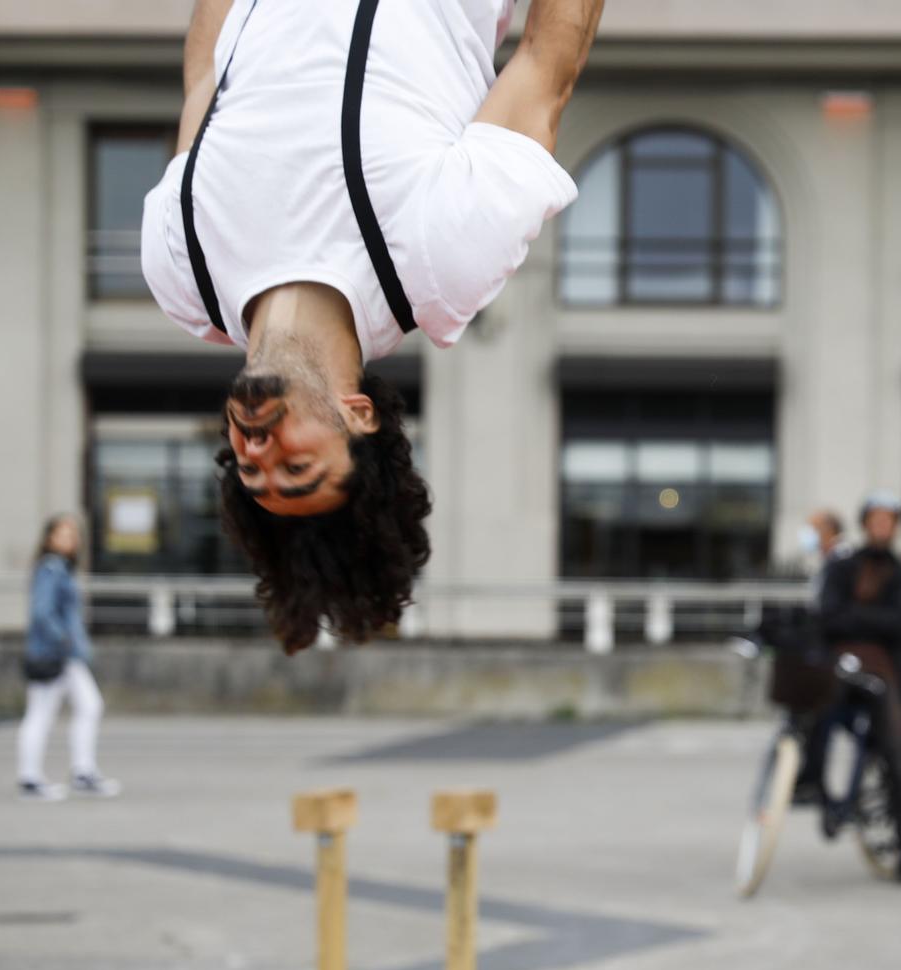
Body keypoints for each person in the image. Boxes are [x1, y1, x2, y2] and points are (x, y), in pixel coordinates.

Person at [142, 0, 604, 653]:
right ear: (358, 415)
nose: (258, 451)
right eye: (297, 465)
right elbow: (546, 61)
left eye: (251, 472)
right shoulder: (439, 263)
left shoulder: (183, 268)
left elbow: (205, 79)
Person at [817, 493, 901, 883]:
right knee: (816, 712)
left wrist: (854, 618)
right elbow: (827, 615)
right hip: (840, 663)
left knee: (896, 752)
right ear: (865, 524)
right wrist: (870, 620)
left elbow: (898, 621)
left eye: (889, 521)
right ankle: (818, 790)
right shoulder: (843, 567)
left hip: (885, 669)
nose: (882, 527)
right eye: (876, 520)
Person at [18, 517, 123, 803]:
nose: (70, 540)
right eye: (62, 534)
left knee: (89, 706)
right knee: (42, 713)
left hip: (63, 654)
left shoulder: (59, 569)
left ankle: (82, 771)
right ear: (49, 538)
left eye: (73, 534)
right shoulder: (52, 569)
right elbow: (42, 612)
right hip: (55, 654)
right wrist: (63, 639)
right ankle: (31, 778)